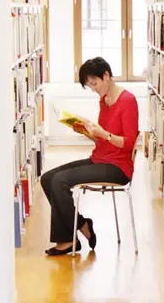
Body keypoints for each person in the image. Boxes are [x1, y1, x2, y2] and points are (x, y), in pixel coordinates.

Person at [40, 57, 139, 256]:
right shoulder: (104, 100)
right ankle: (82, 224)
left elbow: (128, 143)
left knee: (60, 181)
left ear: (107, 76)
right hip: (100, 158)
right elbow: (103, 139)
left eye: (95, 83)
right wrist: (87, 132)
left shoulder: (127, 101)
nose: (94, 89)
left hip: (117, 168)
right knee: (48, 178)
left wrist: (104, 135)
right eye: (89, 85)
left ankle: (69, 240)